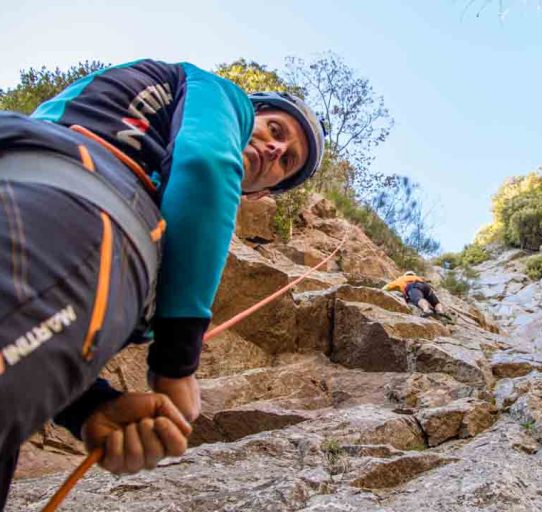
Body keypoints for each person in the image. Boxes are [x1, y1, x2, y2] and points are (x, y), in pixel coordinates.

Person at [0, 58, 325, 509]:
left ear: (259, 196)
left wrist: (88, 406)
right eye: (274, 129)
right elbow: (207, 162)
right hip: (84, 212)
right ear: (248, 112)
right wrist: (177, 362)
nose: (274, 148)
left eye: (286, 160)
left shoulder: (100, 116)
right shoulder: (216, 91)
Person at [382, 271, 449, 318]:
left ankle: (426, 310)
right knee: (435, 302)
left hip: (413, 286)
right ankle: (440, 311)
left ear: (405, 275)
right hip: (426, 286)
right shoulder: (418, 278)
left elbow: (387, 286)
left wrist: (381, 290)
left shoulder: (402, 278)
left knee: (418, 298)